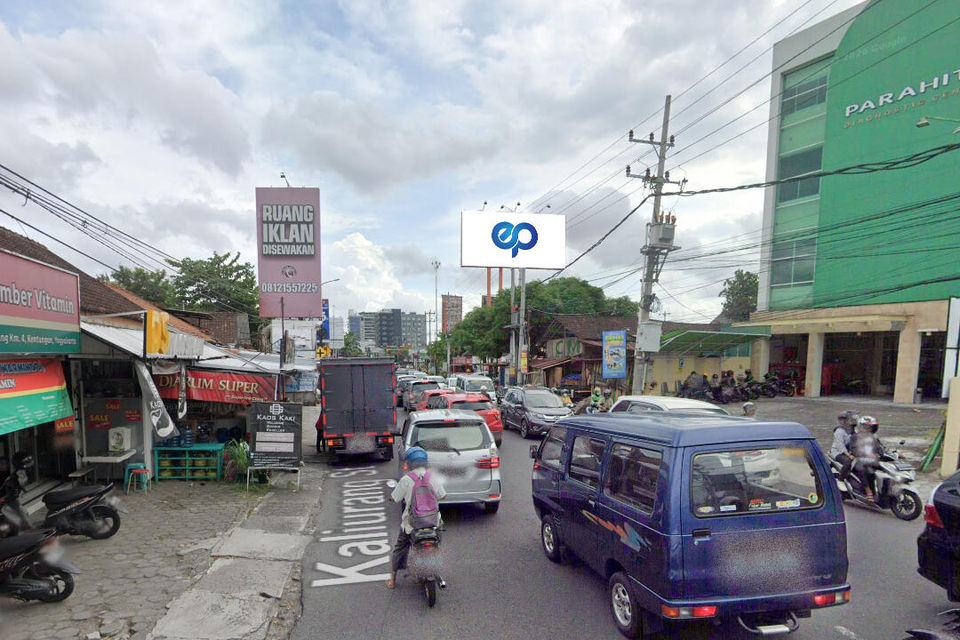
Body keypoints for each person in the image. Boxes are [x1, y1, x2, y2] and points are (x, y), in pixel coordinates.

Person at [387, 446, 446, 589]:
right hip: (433, 523)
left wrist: (392, 498)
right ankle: (435, 561)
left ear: (409, 463)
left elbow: (395, 498)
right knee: (437, 542)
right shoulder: (433, 477)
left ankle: (393, 580)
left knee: (400, 548)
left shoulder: (406, 479)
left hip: (412, 525)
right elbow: (443, 495)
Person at [851, 415, 880, 502]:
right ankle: (868, 492)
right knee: (864, 470)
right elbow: (854, 451)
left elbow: (880, 448)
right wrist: (866, 455)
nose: (870, 429)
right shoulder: (855, 437)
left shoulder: (874, 437)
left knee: (876, 472)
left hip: (871, 461)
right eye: (868, 427)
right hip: (858, 460)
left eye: (871, 427)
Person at [830, 410, 857, 481]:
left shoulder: (853, 430)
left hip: (849, 451)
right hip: (837, 452)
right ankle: (841, 479)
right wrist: (849, 455)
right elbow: (840, 445)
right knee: (848, 462)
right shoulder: (839, 431)